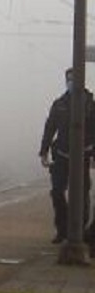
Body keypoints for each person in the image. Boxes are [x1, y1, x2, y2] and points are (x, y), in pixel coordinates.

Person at [39, 67, 95, 243]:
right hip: (61, 154)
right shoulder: (60, 104)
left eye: (74, 79)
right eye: (68, 79)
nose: (71, 82)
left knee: (82, 193)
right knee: (57, 192)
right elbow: (50, 127)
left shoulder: (90, 104)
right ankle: (62, 228)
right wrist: (44, 151)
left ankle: (80, 230)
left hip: (83, 155)